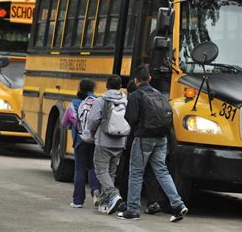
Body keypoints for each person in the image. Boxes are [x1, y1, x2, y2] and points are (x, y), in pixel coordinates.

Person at [118, 65, 188, 222]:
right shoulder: (159, 94)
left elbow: (131, 118)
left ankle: (133, 210)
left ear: (136, 80)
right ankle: (178, 205)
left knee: (136, 172)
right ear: (149, 78)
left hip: (143, 138)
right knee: (162, 171)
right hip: (161, 138)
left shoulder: (135, 95)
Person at [86, 74, 128, 215]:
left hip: (104, 141)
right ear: (120, 86)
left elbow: (93, 120)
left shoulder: (101, 100)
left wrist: (91, 134)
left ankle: (114, 195)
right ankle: (105, 203)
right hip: (120, 141)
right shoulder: (126, 101)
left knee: (101, 171)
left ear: (106, 85)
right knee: (110, 172)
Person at [61, 79, 100, 208]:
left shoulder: (74, 103)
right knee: (93, 167)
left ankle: (78, 201)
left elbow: (63, 123)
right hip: (95, 140)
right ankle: (95, 190)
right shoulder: (98, 102)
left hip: (79, 141)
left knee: (80, 169)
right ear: (93, 88)